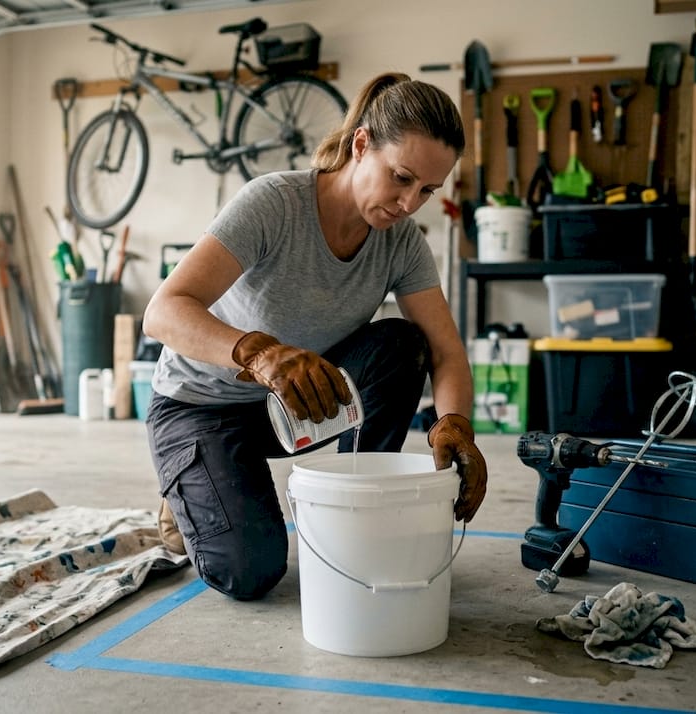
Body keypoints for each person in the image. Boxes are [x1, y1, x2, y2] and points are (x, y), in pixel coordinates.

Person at [141, 72, 488, 601]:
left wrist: (456, 426)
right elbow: (163, 311)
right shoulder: (274, 204)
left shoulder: (400, 242)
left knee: (403, 345)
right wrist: (258, 354)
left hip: (292, 405)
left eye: (427, 190)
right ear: (361, 144)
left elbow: (445, 352)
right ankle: (193, 479)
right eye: (400, 177)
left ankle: (358, 504)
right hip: (200, 407)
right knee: (249, 573)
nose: (409, 203)